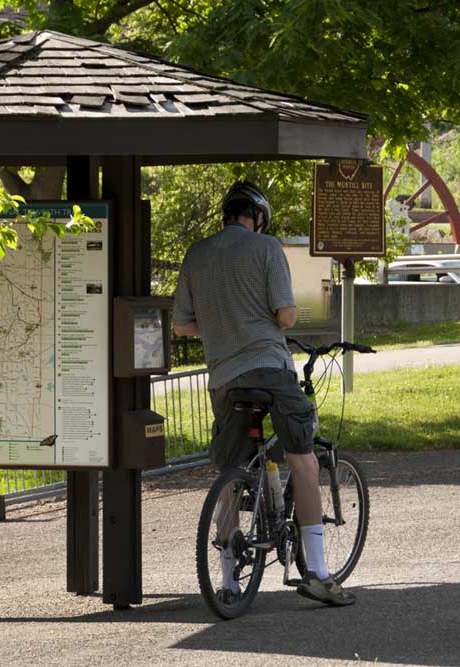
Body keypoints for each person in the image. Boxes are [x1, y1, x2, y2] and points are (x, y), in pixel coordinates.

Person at [172, 180, 355, 607]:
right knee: (303, 459)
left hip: (224, 378)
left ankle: (228, 580)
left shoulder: (197, 253)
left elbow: (182, 324)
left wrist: (224, 327)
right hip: (270, 370)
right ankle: (319, 573)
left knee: (231, 470)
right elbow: (286, 316)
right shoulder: (266, 247)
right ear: (256, 218)